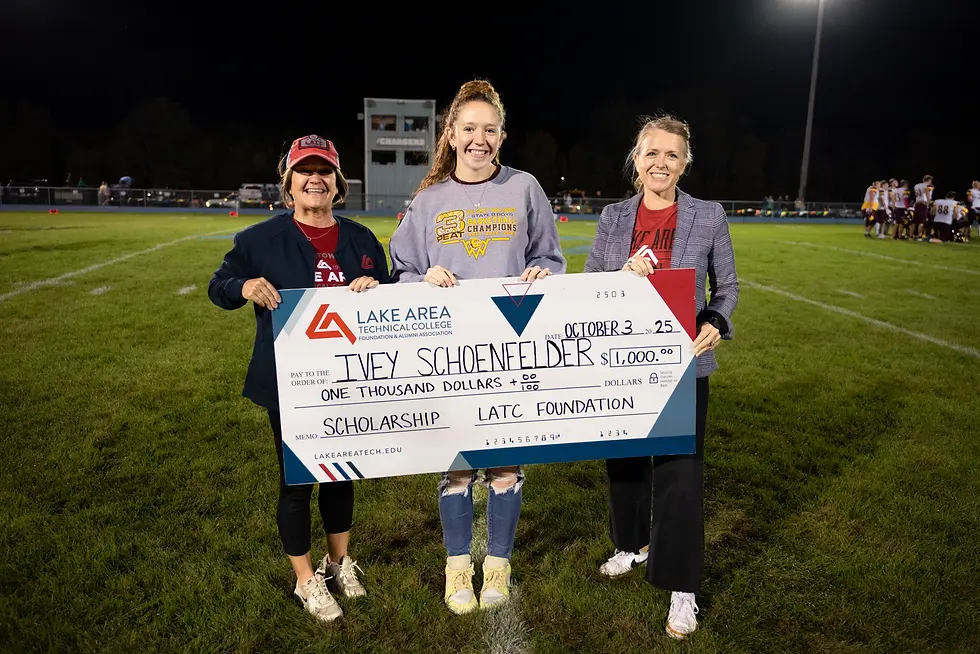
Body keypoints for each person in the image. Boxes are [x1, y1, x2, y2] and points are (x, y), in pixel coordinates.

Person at [387, 79, 566, 615]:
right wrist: (421, 280)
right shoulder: (427, 201)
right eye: (469, 128)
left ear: (502, 136)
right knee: (458, 466)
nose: (479, 138)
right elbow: (400, 270)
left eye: (489, 129)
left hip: (511, 352)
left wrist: (542, 271)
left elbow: (552, 259)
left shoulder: (525, 188)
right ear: (451, 134)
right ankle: (457, 566)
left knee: (506, 467)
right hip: (448, 356)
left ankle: (499, 566)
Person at [208, 135, 389, 623]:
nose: (316, 179)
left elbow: (393, 299)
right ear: (288, 182)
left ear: (338, 183)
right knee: (298, 480)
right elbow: (218, 286)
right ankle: (305, 579)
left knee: (342, 471)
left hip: (350, 379)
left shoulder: (363, 239)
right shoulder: (258, 240)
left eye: (324, 170)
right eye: (305, 171)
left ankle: (338, 561)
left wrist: (377, 288)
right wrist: (242, 285)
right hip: (289, 382)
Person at [583, 115, 739, 640]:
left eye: (672, 155)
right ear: (637, 158)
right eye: (652, 154)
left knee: (679, 472)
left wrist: (715, 321)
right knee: (625, 461)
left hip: (683, 362)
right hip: (623, 362)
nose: (660, 164)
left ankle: (680, 586)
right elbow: (589, 283)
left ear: (685, 162)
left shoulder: (709, 215)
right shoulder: (613, 217)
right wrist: (620, 276)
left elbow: (727, 287)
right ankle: (631, 545)